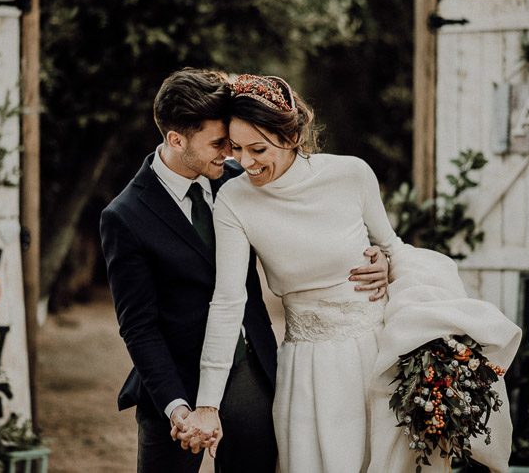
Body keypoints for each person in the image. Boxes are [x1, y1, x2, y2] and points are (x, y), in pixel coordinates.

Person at [177, 74, 522, 472]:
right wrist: (207, 403)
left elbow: (394, 247)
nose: (246, 162)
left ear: (290, 137)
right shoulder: (235, 201)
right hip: (308, 369)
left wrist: (388, 263)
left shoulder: (351, 175)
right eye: (236, 148)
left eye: (258, 148)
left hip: (377, 359)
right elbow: (227, 301)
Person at [99, 68, 391, 473]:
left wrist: (377, 255)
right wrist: (178, 408)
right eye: (221, 144)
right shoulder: (124, 216)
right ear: (176, 140)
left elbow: (309, 220)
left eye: (236, 144)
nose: (233, 155)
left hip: (248, 364)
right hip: (173, 376)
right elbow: (138, 326)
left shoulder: (240, 179)